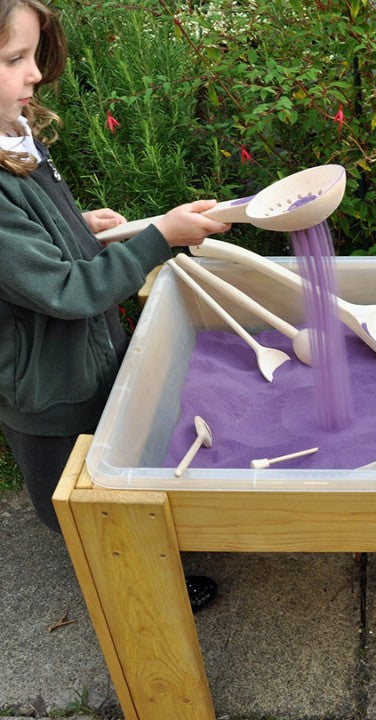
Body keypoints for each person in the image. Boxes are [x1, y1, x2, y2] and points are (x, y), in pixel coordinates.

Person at [0, 0, 231, 610]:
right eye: (14, 59)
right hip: (47, 384)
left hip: (84, 357)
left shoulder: (12, 134)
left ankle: (133, 552)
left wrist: (81, 228)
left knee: (115, 464)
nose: (34, 75)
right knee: (78, 506)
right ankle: (135, 597)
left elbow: (33, 242)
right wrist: (160, 240)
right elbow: (66, 290)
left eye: (32, 56)